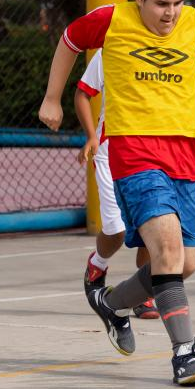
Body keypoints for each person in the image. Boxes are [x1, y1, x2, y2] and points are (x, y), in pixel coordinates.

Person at [38, 0, 195, 386]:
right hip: (134, 150)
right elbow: (69, 40)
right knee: (167, 251)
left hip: (183, 154)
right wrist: (52, 97)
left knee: (185, 263)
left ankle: (113, 304)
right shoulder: (112, 19)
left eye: (176, 2)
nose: (170, 12)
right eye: (160, 4)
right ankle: (186, 354)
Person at [73, 51, 157, 320]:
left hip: (152, 152)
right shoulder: (111, 49)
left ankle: (143, 296)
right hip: (111, 152)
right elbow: (82, 94)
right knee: (116, 231)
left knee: (153, 225)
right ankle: (97, 263)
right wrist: (90, 137)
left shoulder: (170, 50)